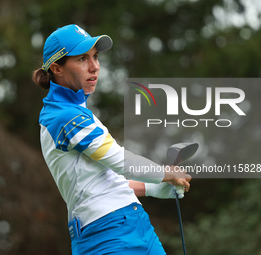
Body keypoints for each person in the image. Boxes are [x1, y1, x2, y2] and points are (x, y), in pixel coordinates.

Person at [32, 24, 191, 255]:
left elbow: (101, 181)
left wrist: (152, 187)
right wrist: (165, 173)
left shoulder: (78, 113)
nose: (95, 66)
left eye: (95, 57)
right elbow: (119, 160)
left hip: (135, 224)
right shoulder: (63, 116)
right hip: (106, 234)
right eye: (83, 59)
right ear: (57, 68)